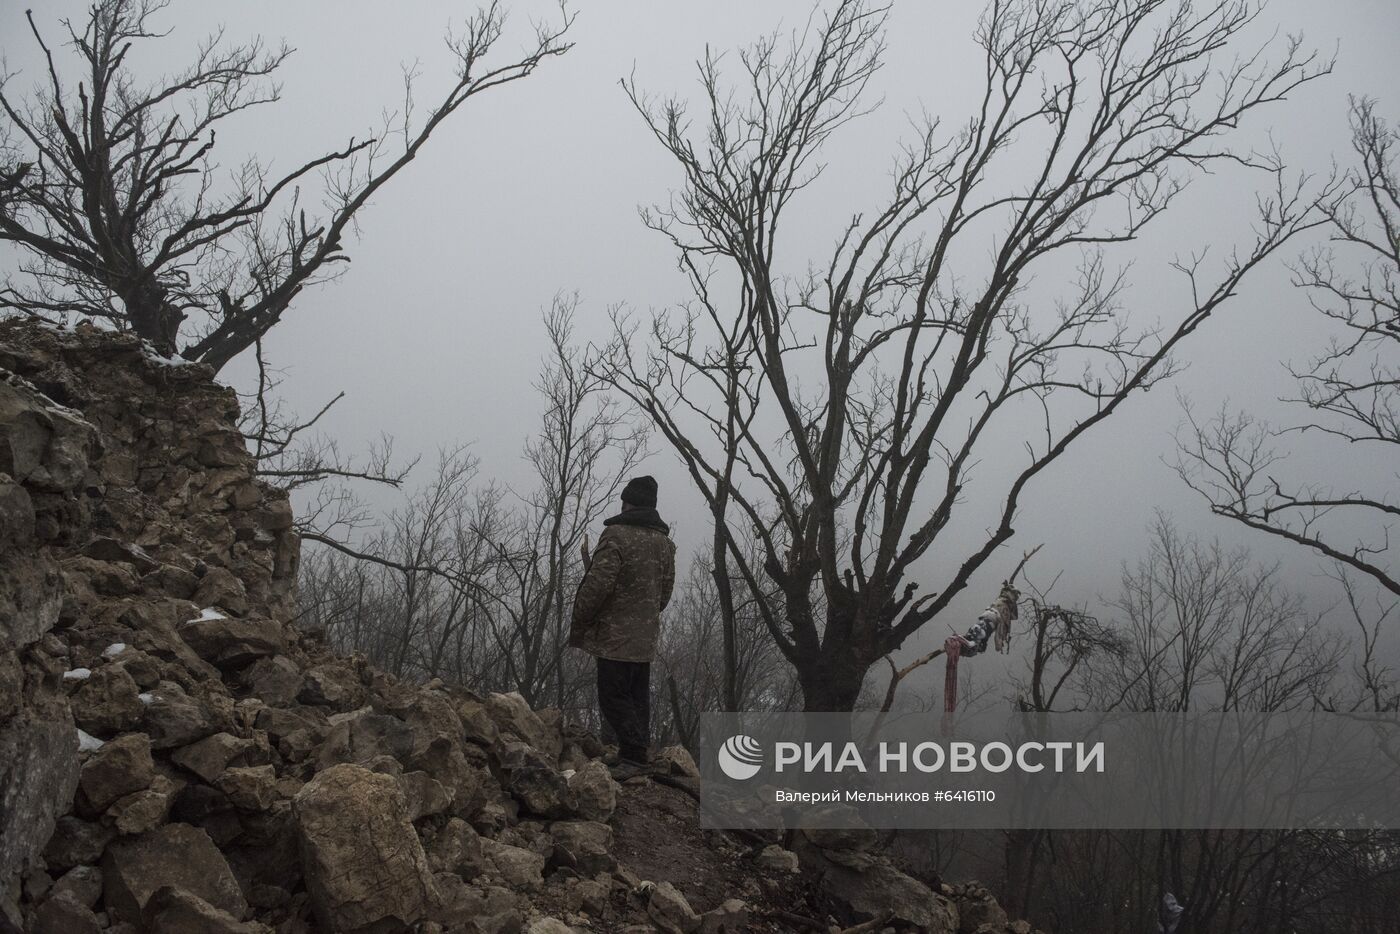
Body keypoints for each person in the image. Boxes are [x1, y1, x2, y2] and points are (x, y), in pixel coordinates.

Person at [570, 475, 676, 778]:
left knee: (612, 696)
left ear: (626, 503)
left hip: (616, 636)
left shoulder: (616, 535)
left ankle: (633, 756)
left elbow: (597, 585)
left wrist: (582, 620)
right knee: (636, 696)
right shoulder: (665, 543)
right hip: (645, 638)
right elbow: (664, 594)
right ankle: (635, 753)